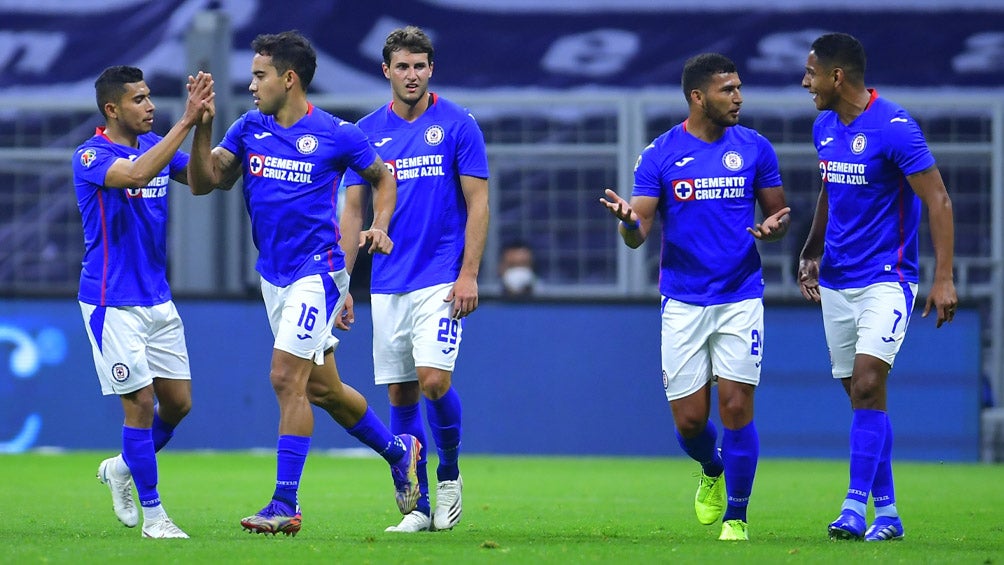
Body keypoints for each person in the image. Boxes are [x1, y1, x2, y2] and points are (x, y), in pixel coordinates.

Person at [185, 30, 421, 536]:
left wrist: (380, 224)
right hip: (274, 275)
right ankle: (399, 451)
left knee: (284, 378)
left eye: (259, 75)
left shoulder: (338, 134)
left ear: (288, 79)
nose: (251, 85)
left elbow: (384, 177)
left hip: (320, 271)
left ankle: (284, 504)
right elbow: (206, 182)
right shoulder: (248, 128)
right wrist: (201, 127)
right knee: (323, 389)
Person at [599, 53, 790, 542]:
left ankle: (737, 518)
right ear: (698, 97)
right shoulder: (660, 153)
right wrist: (628, 223)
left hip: (739, 296)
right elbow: (638, 231)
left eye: (739, 88)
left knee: (736, 407)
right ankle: (711, 467)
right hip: (683, 300)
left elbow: (779, 212)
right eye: (728, 90)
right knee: (689, 423)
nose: (739, 97)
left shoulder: (755, 148)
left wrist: (773, 229)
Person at [797, 32, 958, 542]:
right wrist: (811, 249)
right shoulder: (824, 126)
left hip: (888, 278)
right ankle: (887, 513)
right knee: (862, 397)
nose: (805, 83)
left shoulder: (895, 126)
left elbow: (938, 200)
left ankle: (851, 507)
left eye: (811, 73)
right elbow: (830, 188)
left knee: (868, 383)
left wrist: (944, 277)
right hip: (837, 280)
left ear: (836, 76)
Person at [341, 26, 489, 533]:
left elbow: (478, 203)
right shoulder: (365, 133)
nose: (412, 75)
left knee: (433, 381)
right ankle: (419, 505)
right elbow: (353, 210)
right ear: (386, 71)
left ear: (431, 69)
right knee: (401, 395)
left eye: (420, 65)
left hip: (441, 278)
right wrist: (344, 284)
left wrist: (469, 274)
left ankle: (447, 476)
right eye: (402, 66)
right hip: (387, 282)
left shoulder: (458, 125)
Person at [73, 65, 215, 539]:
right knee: (140, 404)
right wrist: (184, 120)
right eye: (139, 99)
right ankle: (155, 517)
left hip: (157, 298)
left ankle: (120, 468)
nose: (150, 105)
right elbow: (137, 172)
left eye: (150, 96)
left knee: (177, 405)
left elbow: (200, 182)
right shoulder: (91, 155)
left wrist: (204, 124)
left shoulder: (154, 147)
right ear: (112, 109)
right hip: (111, 301)